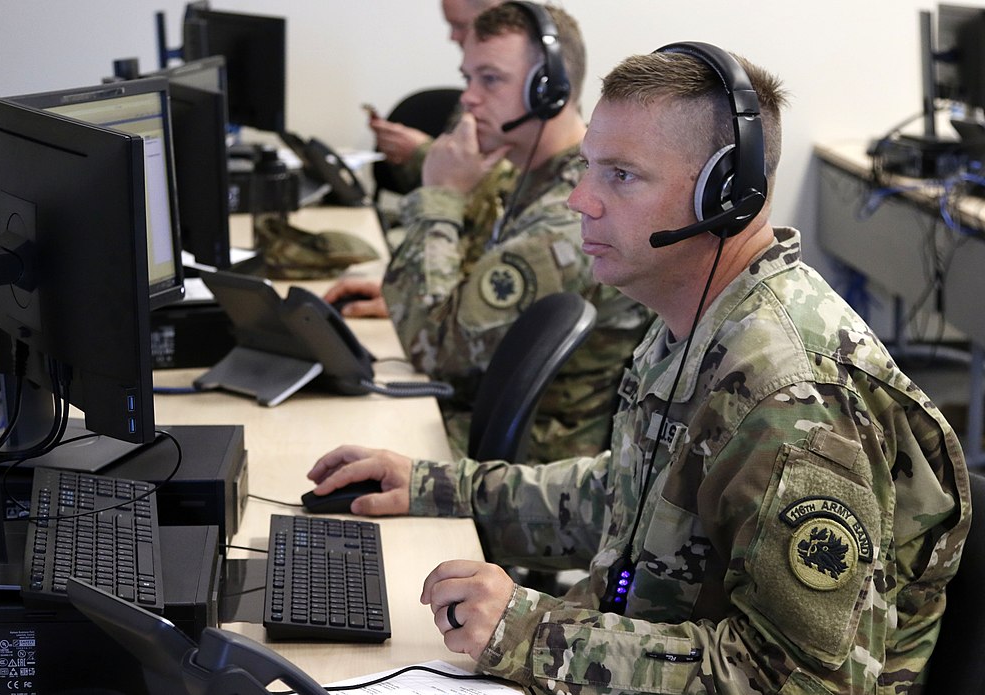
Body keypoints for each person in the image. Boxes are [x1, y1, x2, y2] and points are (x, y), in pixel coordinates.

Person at [309, 42, 972, 693]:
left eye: (620, 175)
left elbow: (801, 680)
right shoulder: (696, 316)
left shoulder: (794, 401)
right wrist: (434, 486)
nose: (581, 201)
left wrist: (530, 632)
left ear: (726, 194)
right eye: (589, 167)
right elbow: (627, 496)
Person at [330, 2, 651, 462]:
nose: (468, 98)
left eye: (491, 79)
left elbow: (433, 349)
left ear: (549, 91)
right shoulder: (521, 176)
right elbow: (460, 298)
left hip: (529, 465)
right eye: (468, 78)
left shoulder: (569, 217)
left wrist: (440, 196)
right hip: (476, 410)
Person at [369, 0, 504, 192]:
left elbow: (497, 192)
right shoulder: (475, 93)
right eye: (467, 78)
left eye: (460, 25)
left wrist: (421, 152)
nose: (452, 37)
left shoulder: (520, 96)